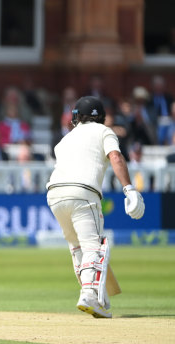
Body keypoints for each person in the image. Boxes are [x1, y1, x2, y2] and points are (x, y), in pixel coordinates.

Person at [46, 96, 145, 319]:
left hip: (55, 194)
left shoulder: (64, 140)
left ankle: (95, 295)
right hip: (83, 192)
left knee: (77, 246)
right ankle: (90, 294)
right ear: (100, 117)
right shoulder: (103, 131)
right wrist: (129, 189)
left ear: (75, 117)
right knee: (94, 246)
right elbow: (115, 157)